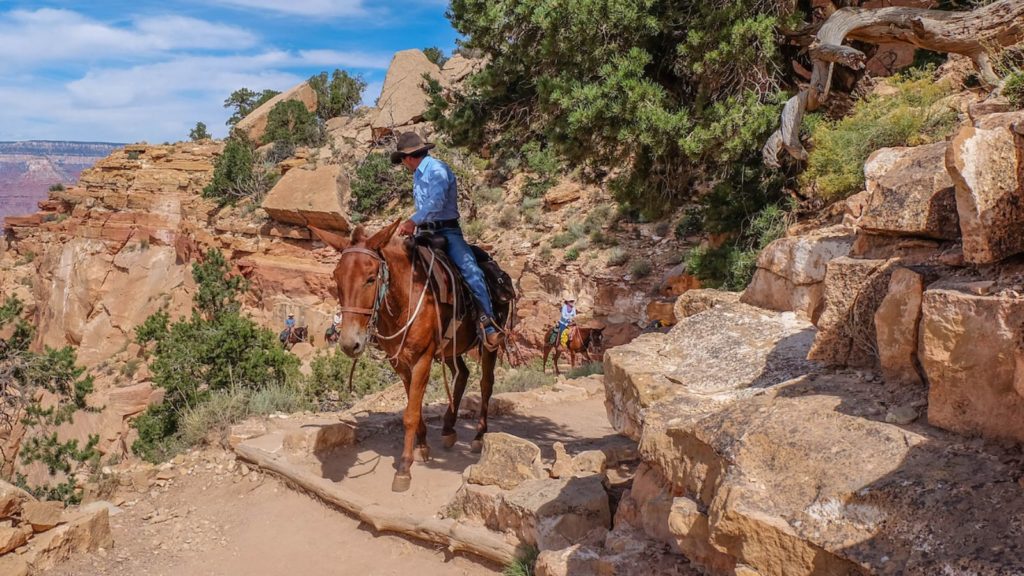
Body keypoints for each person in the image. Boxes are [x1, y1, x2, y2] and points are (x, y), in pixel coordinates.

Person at [391, 132, 502, 351]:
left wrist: (412, 221)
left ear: (409, 157)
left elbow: (437, 202)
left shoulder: (437, 170)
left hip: (448, 231)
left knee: (471, 271)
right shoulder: (417, 174)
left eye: (403, 160)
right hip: (424, 232)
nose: (404, 164)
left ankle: (488, 324)